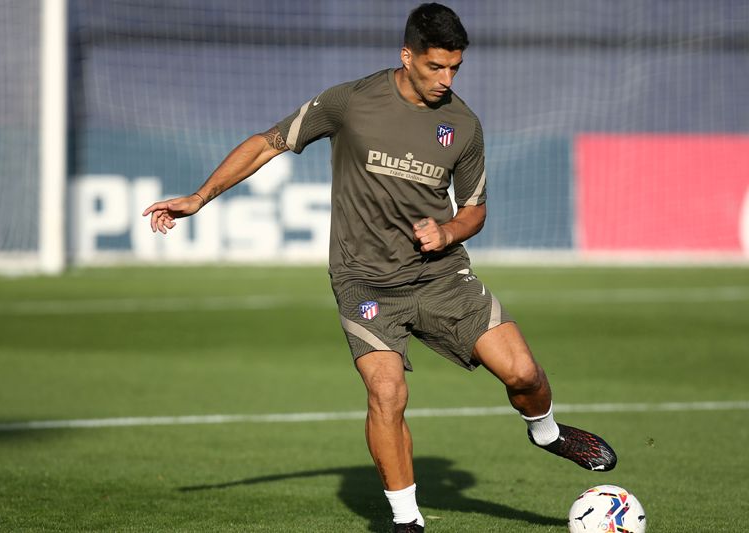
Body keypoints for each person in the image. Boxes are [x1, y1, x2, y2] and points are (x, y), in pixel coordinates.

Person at [143, 4, 616, 532]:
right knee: (387, 391)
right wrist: (200, 197)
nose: (447, 79)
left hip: (440, 276)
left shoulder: (462, 125)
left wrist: (449, 231)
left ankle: (547, 433)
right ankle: (406, 520)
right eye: (436, 66)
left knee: (524, 373)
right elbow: (267, 143)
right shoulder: (350, 101)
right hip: (364, 282)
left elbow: (475, 210)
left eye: (455, 68)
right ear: (406, 55)